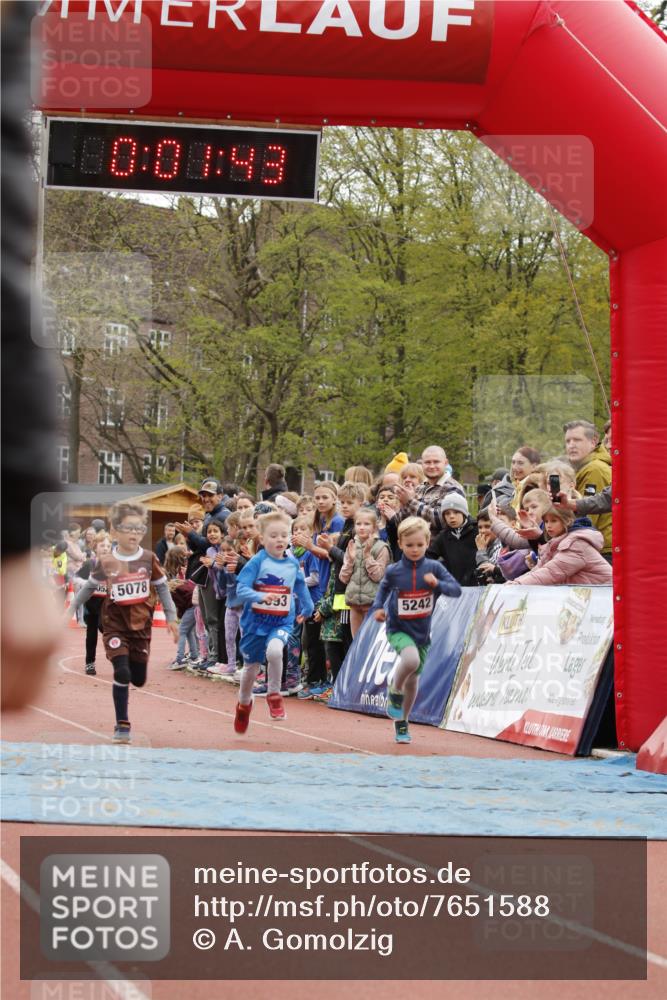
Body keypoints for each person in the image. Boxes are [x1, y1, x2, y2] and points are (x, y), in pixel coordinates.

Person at [66, 501, 178, 743]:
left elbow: (163, 589)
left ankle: (137, 670)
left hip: (141, 627)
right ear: (115, 531)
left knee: (138, 677)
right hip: (114, 624)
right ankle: (122, 724)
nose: (134, 534)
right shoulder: (106, 561)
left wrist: (171, 617)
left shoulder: (149, 559)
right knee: (122, 670)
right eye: (128, 528)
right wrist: (72, 608)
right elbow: (88, 588)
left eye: (138, 529)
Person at [371, 517, 462, 744]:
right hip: (398, 628)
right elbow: (382, 590)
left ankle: (402, 721)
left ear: (427, 543)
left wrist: (437, 585)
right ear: (400, 543)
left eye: (419, 545)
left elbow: (456, 590)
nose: (414, 549)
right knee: (409, 660)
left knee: (414, 681)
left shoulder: (434, 568)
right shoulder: (394, 571)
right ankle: (394, 689)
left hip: (422, 632)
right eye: (409, 545)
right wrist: (378, 608)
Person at [231, 511, 314, 732]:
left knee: (276, 652)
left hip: (282, 621)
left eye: (283, 535)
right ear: (262, 538)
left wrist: (308, 608)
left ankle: (274, 694)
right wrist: (259, 597)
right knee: (251, 669)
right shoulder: (257, 562)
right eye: (273, 536)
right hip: (255, 623)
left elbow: (300, 586)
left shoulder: (292, 563)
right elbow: (241, 588)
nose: (279, 540)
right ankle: (244, 703)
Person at [506, 506, 612, 586]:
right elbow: (538, 569)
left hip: (605, 598)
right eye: (546, 521)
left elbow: (551, 572)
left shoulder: (576, 544)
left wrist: (519, 585)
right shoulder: (554, 544)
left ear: (567, 521)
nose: (548, 525)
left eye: (554, 520)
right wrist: (514, 583)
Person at [393, 445, 464, 539]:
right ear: (422, 464)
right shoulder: (420, 488)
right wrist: (402, 503)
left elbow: (443, 520)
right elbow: (400, 524)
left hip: (439, 552)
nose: (431, 466)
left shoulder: (453, 488)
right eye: (427, 462)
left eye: (436, 462)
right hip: (413, 549)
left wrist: (410, 502)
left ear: (445, 463)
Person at [563, 419, 612, 556]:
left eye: (577, 440)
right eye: (568, 441)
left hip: (601, 550)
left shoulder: (594, 469)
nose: (571, 445)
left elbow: (589, 520)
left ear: (593, 441)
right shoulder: (583, 468)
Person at [339, 508, 391, 636]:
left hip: (373, 605)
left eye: (366, 524)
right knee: (356, 643)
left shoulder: (381, 547)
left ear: (374, 527)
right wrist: (350, 561)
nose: (362, 527)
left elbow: (378, 576)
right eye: (358, 524)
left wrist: (368, 556)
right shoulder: (351, 546)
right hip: (354, 605)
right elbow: (343, 578)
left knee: (369, 642)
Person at [74, 532, 113, 675]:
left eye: (108, 546)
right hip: (91, 605)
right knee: (91, 635)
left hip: (106, 605)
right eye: (102, 545)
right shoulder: (90, 563)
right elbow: (76, 578)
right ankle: (90, 663)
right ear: (95, 547)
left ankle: (117, 657)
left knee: (108, 630)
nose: (105, 548)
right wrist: (88, 584)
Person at [427, 494, 478, 586]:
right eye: (447, 513)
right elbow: (429, 556)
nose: (451, 517)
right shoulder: (443, 536)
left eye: (456, 512)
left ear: (464, 513)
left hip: (477, 586)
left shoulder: (476, 530)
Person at [165, 545, 198, 670]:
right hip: (194, 604)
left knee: (182, 631)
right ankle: (194, 655)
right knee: (189, 630)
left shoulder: (173, 588)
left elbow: (182, 604)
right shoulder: (178, 580)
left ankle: (179, 659)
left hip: (191, 605)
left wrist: (179, 616)